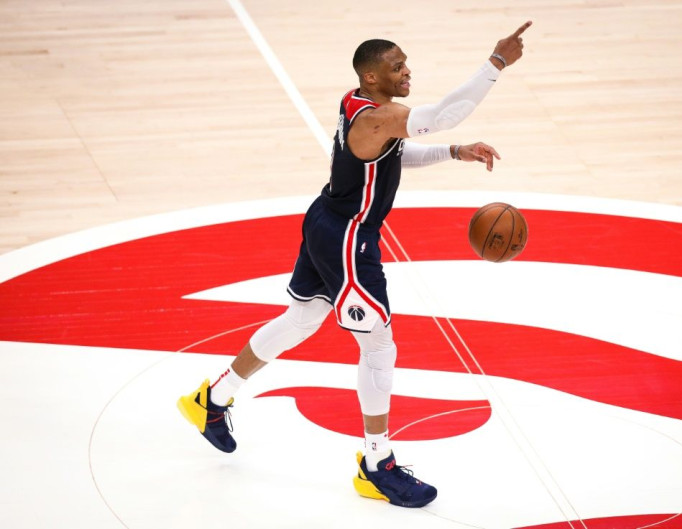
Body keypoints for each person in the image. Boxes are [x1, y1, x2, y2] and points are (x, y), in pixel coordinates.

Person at [178, 20, 531, 509]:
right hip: (347, 237)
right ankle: (376, 464)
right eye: (396, 67)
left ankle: (211, 400)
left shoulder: (359, 106)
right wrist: (496, 63)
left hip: (326, 219)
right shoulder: (377, 118)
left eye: (406, 62)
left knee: (300, 320)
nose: (407, 71)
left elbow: (395, 155)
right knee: (379, 347)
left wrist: (455, 152)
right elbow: (446, 114)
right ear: (371, 77)